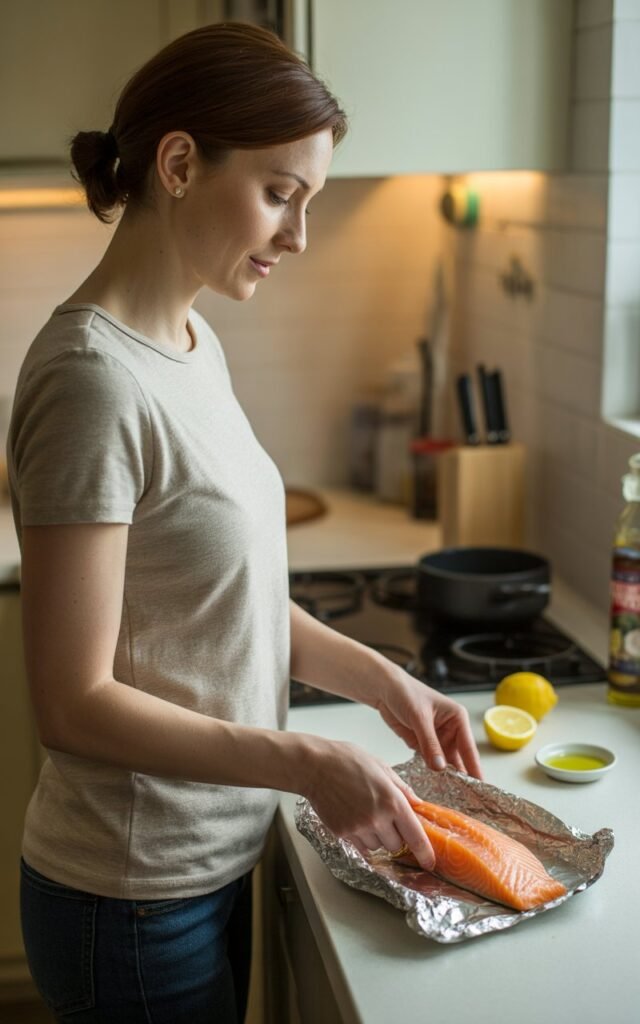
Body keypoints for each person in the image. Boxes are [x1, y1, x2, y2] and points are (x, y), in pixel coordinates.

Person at [7, 22, 482, 1024]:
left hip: (210, 862)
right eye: (280, 194)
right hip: (127, 899)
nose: (298, 236)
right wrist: (306, 758)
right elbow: (73, 701)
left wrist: (380, 678)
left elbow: (226, 605)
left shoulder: (189, 339)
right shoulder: (90, 379)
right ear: (179, 163)